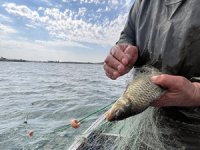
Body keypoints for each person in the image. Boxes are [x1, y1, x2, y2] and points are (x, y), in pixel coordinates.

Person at [104, 0, 200, 149]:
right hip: (145, 124)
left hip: (193, 133)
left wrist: (195, 93)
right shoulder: (140, 3)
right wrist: (122, 52)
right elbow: (127, 36)